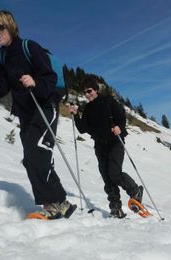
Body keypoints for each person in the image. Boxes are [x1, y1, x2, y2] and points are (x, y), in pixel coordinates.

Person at [0, 10, 76, 220]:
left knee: (37, 152)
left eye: (0, 27)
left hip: (44, 106)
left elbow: (49, 77)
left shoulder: (29, 47)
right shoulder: (0, 57)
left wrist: (35, 82)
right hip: (25, 113)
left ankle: (52, 204)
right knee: (31, 158)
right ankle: (62, 202)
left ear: (10, 27)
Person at [69, 76, 143, 218]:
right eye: (85, 92)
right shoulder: (88, 109)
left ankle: (135, 190)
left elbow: (121, 116)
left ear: (96, 90)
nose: (87, 94)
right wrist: (76, 115)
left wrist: (119, 127)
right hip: (100, 145)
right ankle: (115, 207)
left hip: (115, 142)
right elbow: (82, 129)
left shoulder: (108, 101)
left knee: (114, 172)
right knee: (106, 177)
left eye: (89, 91)